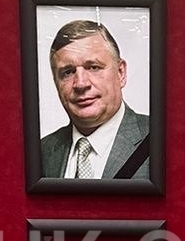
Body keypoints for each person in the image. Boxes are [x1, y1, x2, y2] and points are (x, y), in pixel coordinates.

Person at [39, 19, 151, 180]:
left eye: (93, 67)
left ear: (121, 73)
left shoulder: (160, 139)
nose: (81, 84)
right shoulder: (42, 152)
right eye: (68, 72)